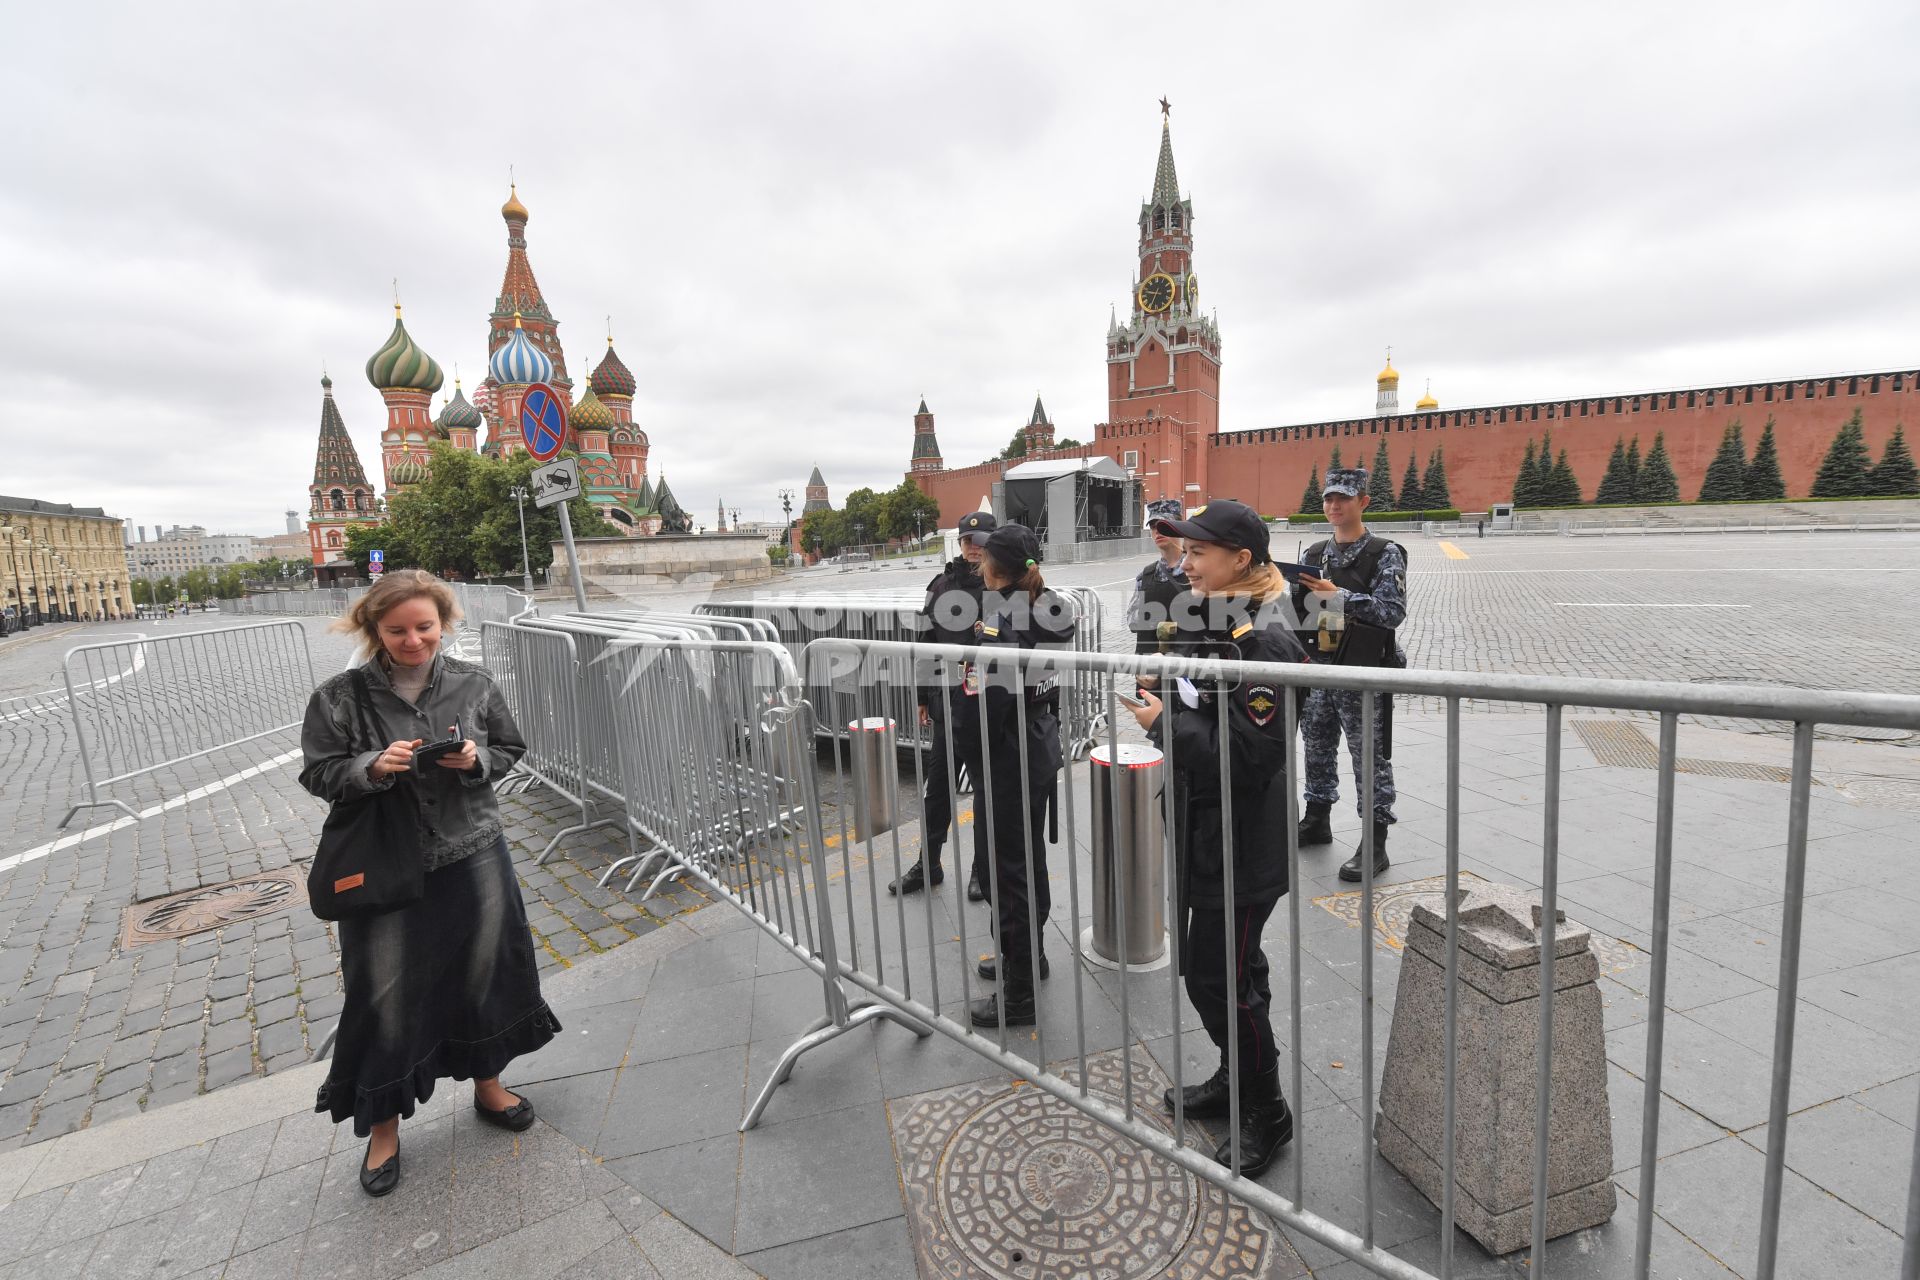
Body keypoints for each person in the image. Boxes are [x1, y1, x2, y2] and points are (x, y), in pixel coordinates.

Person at [299, 568, 558, 1197]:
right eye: (397, 630)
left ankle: (487, 1085)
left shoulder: (473, 682)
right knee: (382, 991)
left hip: (472, 850)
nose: (413, 641)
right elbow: (319, 772)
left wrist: (476, 759)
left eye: (425, 627)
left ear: (443, 624)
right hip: (389, 862)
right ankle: (383, 1126)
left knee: (484, 968)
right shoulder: (340, 698)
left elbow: (510, 747)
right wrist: (370, 767)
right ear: (373, 630)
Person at [1124, 498, 1310, 1176]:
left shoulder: (1266, 641)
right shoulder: (1222, 624)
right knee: (1235, 974)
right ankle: (1239, 1079)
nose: (1187, 562)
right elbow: (1206, 706)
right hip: (1209, 832)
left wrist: (1157, 723)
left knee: (1217, 979)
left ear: (1240, 560)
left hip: (1242, 846)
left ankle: (1268, 1110)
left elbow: (1250, 755)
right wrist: (1164, 689)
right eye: (1186, 550)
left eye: (1199, 552)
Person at [966, 523, 1076, 1029]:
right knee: (1028, 862)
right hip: (1037, 743)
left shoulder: (1004, 618)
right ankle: (1032, 958)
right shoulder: (1047, 606)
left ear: (995, 567)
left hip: (1007, 752)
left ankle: (1019, 993)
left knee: (1005, 872)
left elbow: (989, 695)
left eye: (983, 557)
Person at [1293, 467, 1407, 882]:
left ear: (1363, 502)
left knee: (1370, 758)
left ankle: (1375, 843)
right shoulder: (1314, 553)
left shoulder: (1383, 552)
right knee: (1317, 747)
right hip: (1319, 668)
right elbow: (1298, 613)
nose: (1334, 505)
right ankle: (1317, 818)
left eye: (1343, 497)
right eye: (1328, 498)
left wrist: (1339, 597)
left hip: (1363, 672)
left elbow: (1391, 611)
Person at [891, 510, 992, 901]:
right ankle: (928, 864)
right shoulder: (941, 584)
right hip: (948, 700)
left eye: (981, 543)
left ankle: (980, 870)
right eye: (968, 542)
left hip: (987, 701)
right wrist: (920, 696)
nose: (973, 549)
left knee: (984, 790)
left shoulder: (1003, 585)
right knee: (938, 791)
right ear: (960, 544)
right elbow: (925, 643)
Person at [1127, 498, 1190, 654]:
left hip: (1187, 667)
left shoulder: (1196, 572)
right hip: (1148, 669)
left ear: (1178, 527)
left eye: (1163, 526)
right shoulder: (1146, 576)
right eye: (1153, 527)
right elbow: (1132, 622)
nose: (1157, 531)